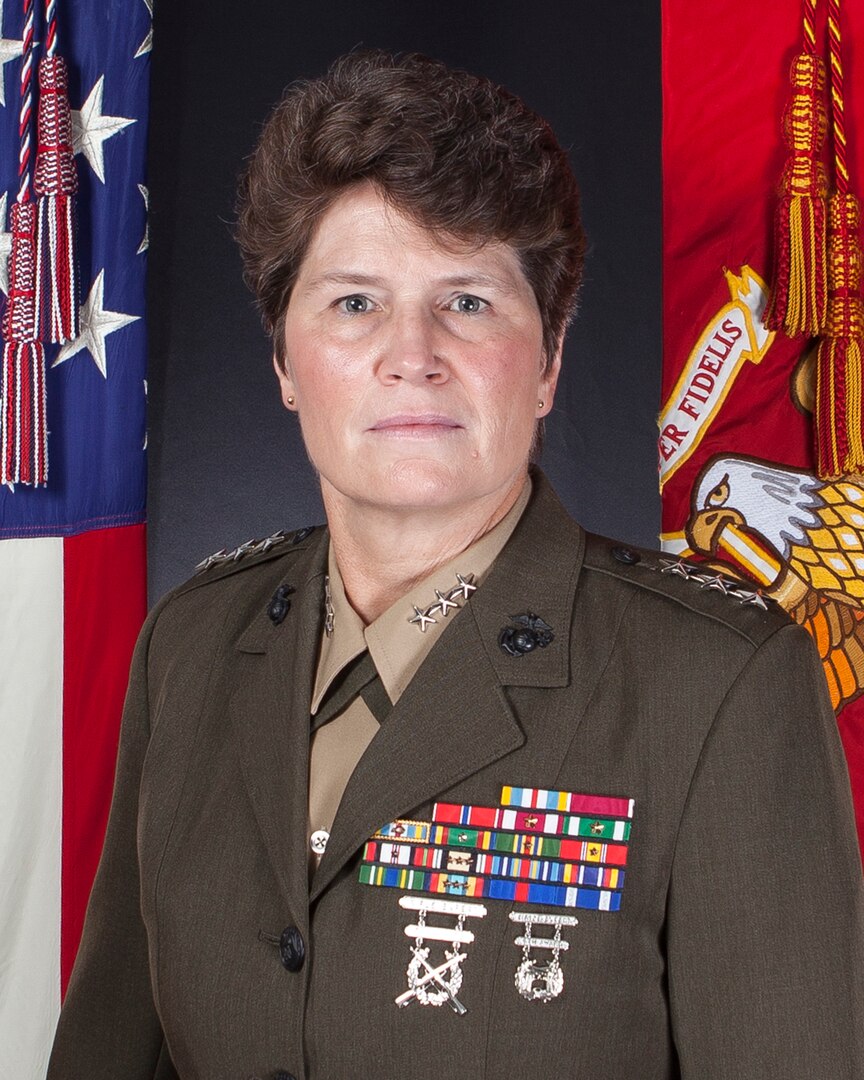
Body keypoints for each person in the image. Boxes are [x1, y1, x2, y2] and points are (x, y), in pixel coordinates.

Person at [48, 50, 863, 1080]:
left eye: (469, 301)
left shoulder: (718, 685)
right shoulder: (195, 643)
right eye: (354, 303)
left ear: (551, 356)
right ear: (284, 360)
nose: (412, 352)